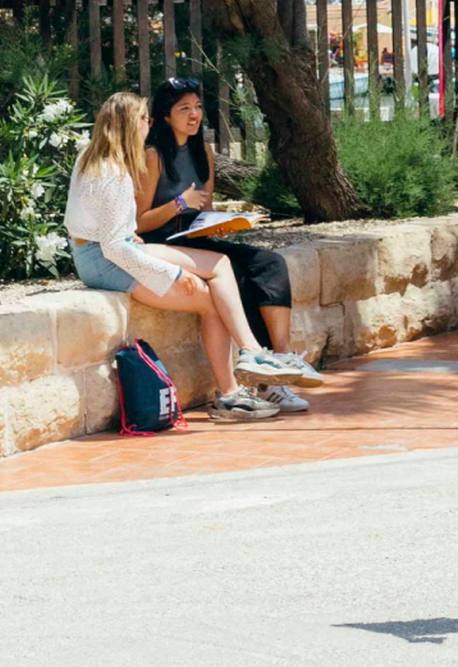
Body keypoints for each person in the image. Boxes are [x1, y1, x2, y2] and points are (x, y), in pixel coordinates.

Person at [64, 91, 295, 423]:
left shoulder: (96, 158)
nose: (149, 124)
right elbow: (114, 247)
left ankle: (251, 355)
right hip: (106, 260)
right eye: (144, 119)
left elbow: (108, 230)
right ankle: (233, 391)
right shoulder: (112, 172)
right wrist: (171, 274)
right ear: (130, 124)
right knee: (209, 299)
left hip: (106, 251)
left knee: (220, 265)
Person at [141, 79, 323, 409]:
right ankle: (265, 380)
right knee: (236, 279)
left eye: (197, 106)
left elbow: (204, 210)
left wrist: (219, 224)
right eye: (184, 108)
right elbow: (139, 222)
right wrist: (180, 204)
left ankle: (281, 360)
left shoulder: (202, 150)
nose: (194, 114)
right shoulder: (153, 156)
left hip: (195, 240)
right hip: (162, 243)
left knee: (268, 264)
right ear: (165, 116)